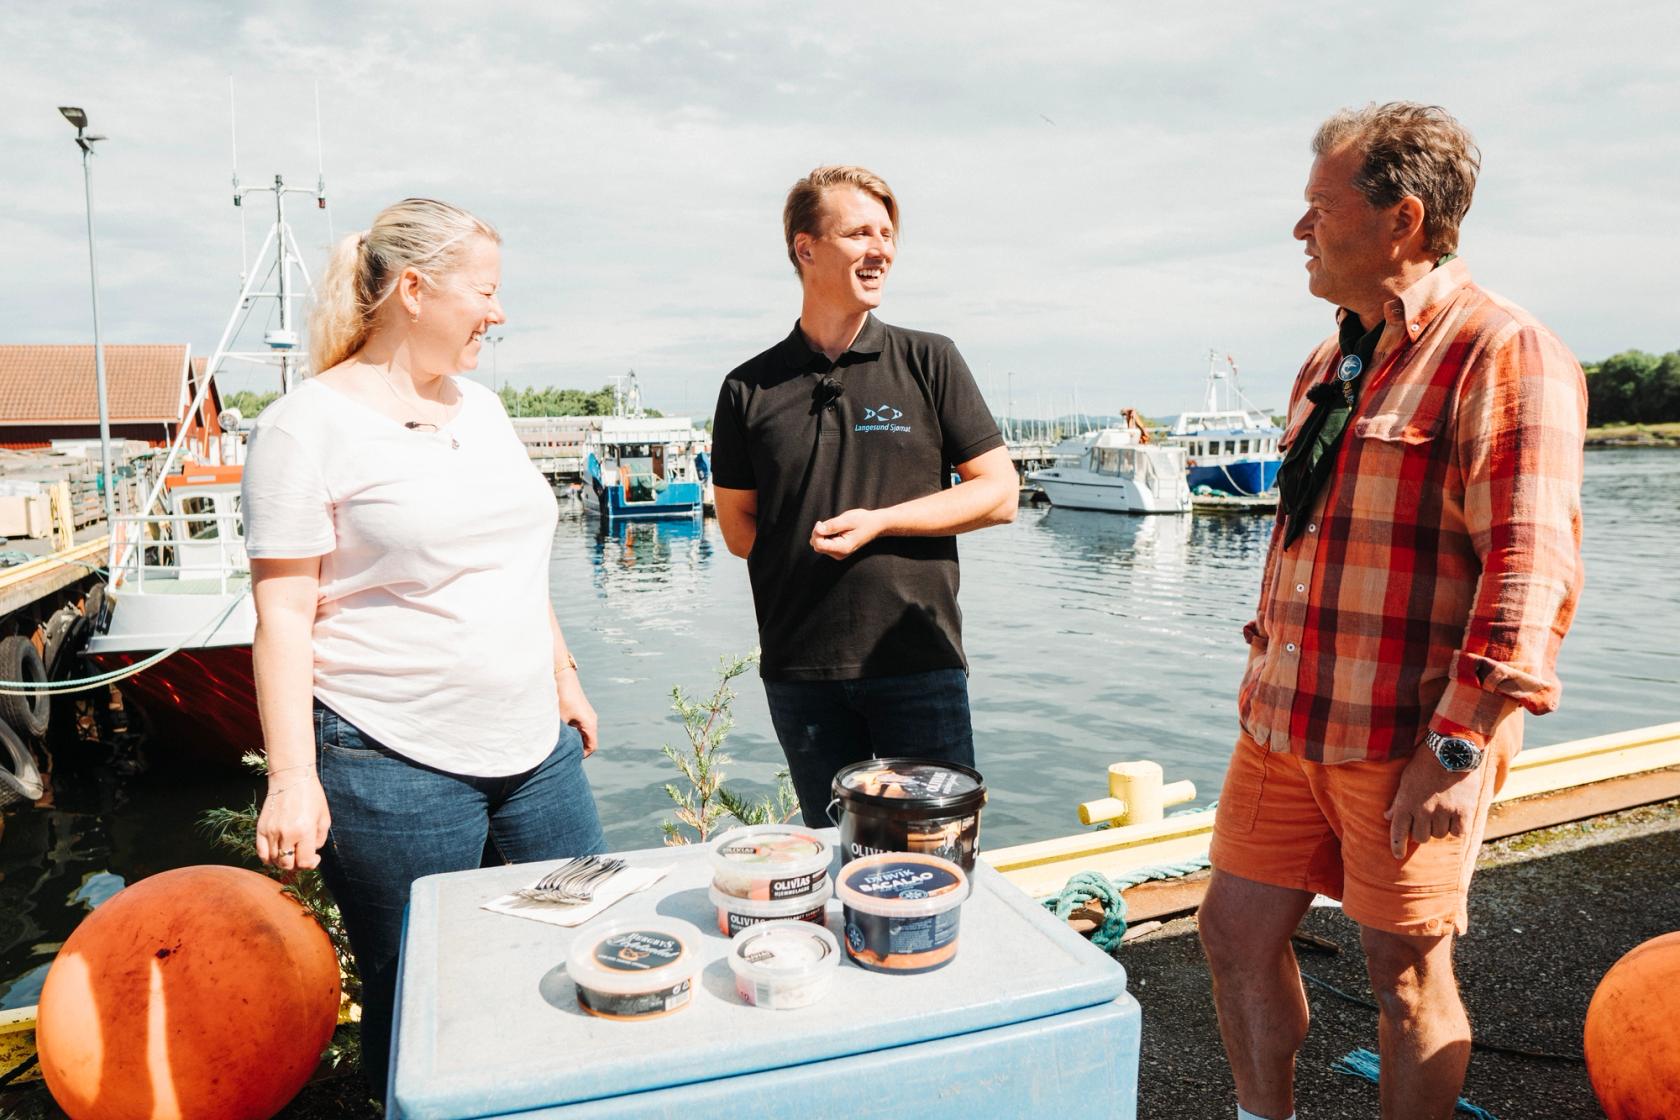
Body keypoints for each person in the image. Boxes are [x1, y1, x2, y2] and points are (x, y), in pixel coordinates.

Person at [1197, 103, 1587, 1120]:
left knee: (1405, 975)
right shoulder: (1329, 365)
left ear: (1402, 219)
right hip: (1283, 721)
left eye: (1319, 208)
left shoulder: (1504, 350)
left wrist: (1457, 748)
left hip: (1404, 735)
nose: (1300, 231)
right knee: (1232, 931)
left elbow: (1528, 570)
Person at [242, 198, 606, 1096]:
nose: (499, 311)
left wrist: (564, 676)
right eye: (485, 291)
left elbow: (513, 560)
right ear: (414, 289)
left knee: (580, 958)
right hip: (390, 760)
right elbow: (282, 611)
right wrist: (293, 778)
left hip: (537, 750)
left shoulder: (482, 408)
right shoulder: (304, 426)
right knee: (424, 1005)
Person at [710, 165, 1018, 824]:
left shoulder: (929, 360)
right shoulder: (747, 389)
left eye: (887, 233)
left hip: (917, 663)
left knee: (940, 857)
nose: (881, 249)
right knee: (838, 858)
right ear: (806, 248)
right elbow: (738, 529)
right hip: (800, 674)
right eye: (859, 233)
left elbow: (999, 493)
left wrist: (878, 523)